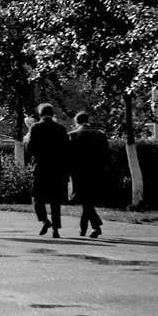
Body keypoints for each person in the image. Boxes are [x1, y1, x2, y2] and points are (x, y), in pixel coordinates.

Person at [26, 102, 70, 238]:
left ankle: (45, 220)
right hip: (57, 168)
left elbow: (30, 148)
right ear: (52, 114)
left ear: (40, 114)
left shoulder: (35, 127)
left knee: (37, 197)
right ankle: (56, 229)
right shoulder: (61, 129)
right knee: (55, 200)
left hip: (41, 167)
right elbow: (66, 150)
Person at [69, 111, 108, 239]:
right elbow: (105, 154)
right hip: (97, 172)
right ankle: (83, 228)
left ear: (76, 122)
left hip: (79, 172)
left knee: (85, 201)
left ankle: (96, 226)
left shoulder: (73, 136)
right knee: (88, 201)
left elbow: (67, 156)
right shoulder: (100, 135)